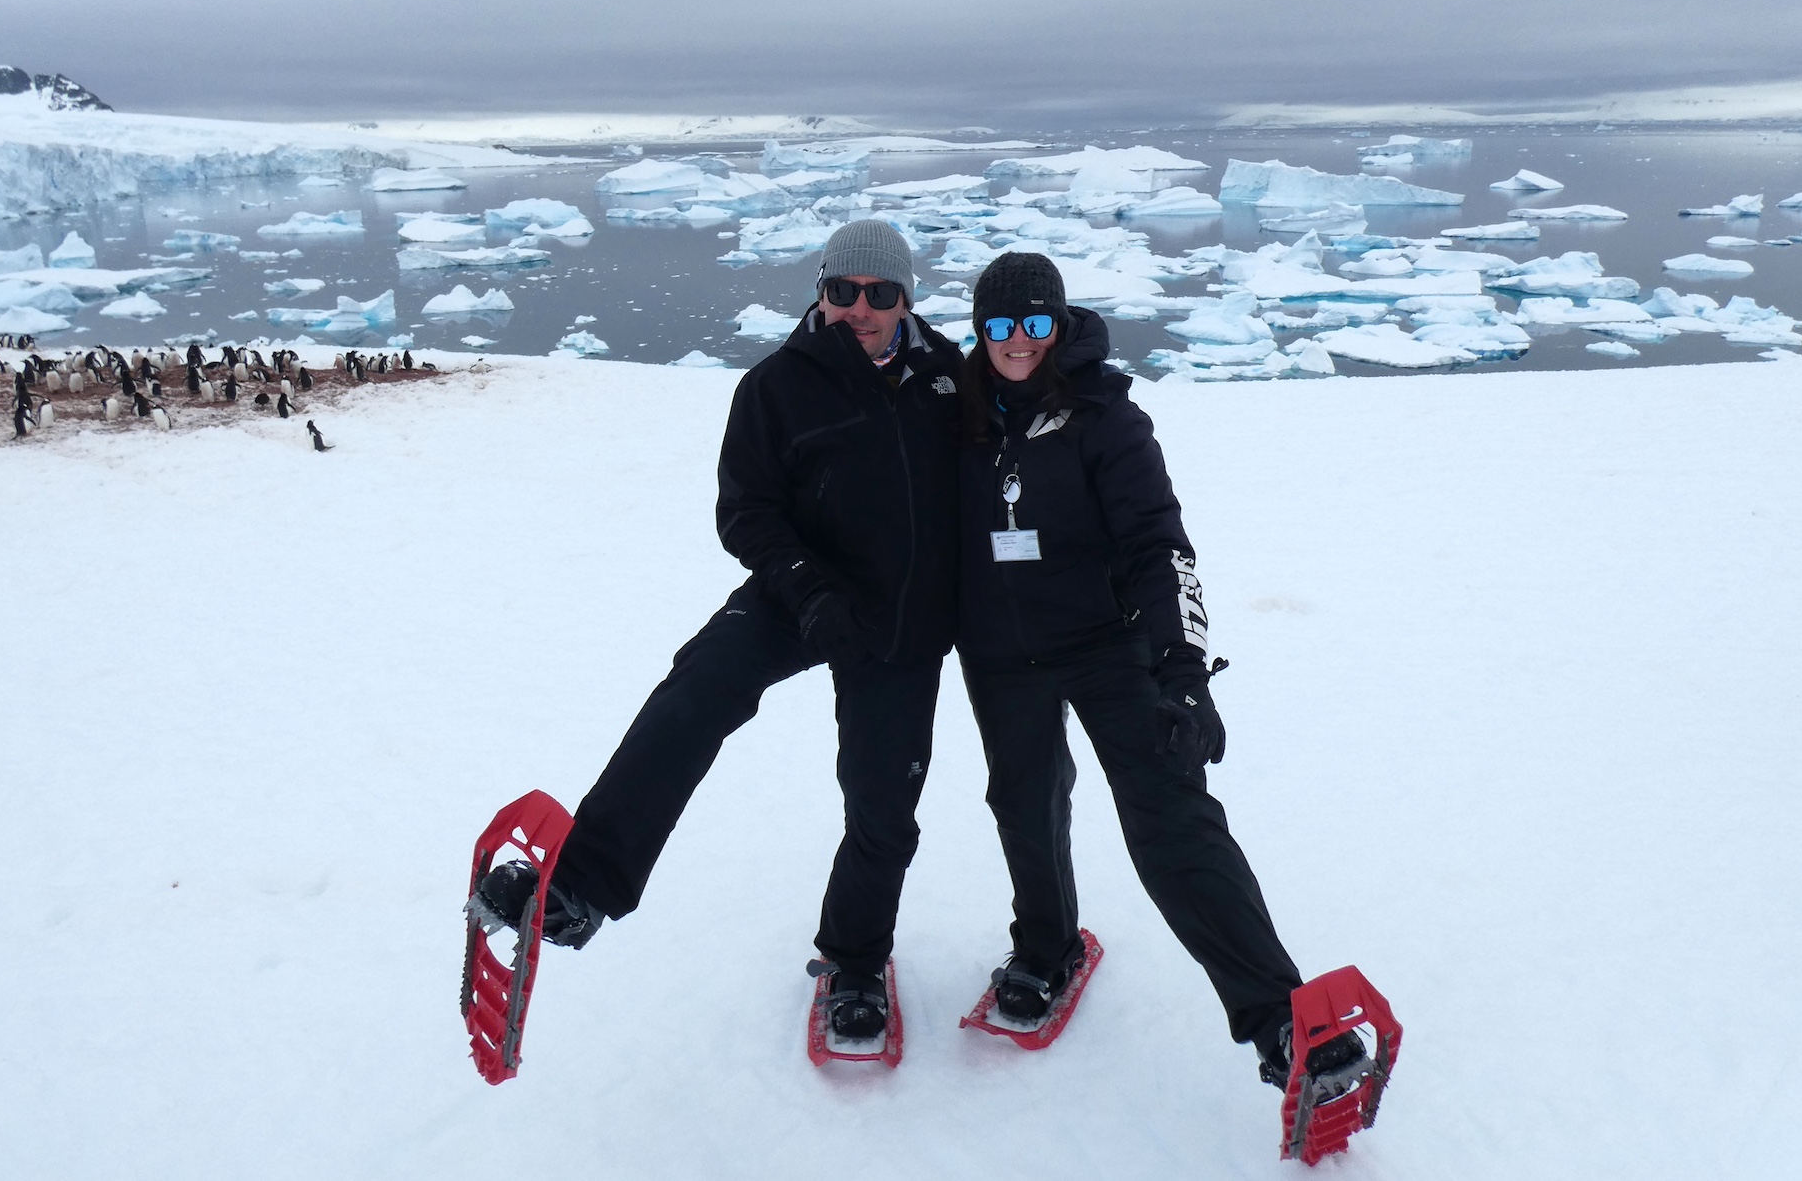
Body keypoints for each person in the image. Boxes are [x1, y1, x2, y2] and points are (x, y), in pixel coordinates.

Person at [476, 219, 965, 1042]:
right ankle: (584, 881)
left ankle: (854, 963)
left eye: (879, 294)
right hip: (797, 594)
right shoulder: (779, 385)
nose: (859, 309)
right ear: (821, 291)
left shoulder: (950, 379)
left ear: (906, 300)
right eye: (842, 291)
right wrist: (808, 589)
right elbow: (746, 512)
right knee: (698, 689)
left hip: (901, 618)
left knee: (884, 803)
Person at [953, 251, 1362, 1089]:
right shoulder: (954, 416)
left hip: (1110, 642)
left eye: (1036, 323)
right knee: (1024, 801)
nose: (1019, 342)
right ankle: (1045, 947)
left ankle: (1281, 1021)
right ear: (979, 332)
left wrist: (1182, 672)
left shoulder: (1106, 418)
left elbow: (1158, 547)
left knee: (1170, 817)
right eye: (1000, 326)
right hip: (1000, 650)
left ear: (1059, 325)